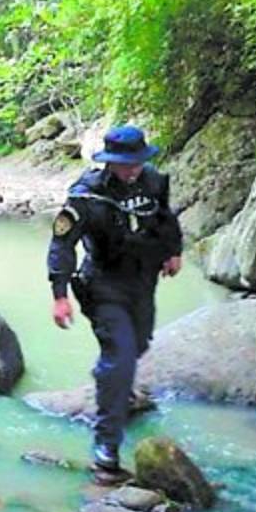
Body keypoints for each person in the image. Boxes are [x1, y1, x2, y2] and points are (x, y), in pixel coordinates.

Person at [46, 125, 183, 484]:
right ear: (109, 161)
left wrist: (173, 251)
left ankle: (111, 381)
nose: (132, 169)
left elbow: (165, 217)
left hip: (142, 282)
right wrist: (59, 295)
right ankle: (106, 450)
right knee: (120, 358)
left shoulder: (152, 181)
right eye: (125, 164)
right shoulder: (86, 195)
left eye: (136, 162)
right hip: (103, 284)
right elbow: (62, 244)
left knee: (138, 346)